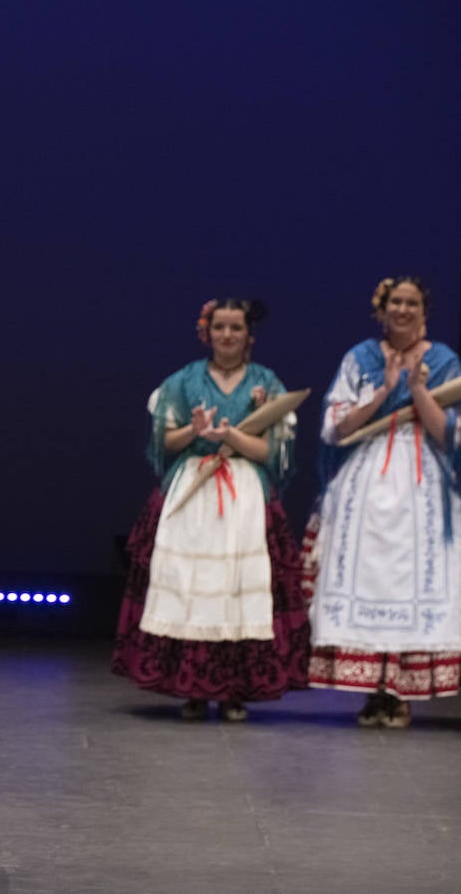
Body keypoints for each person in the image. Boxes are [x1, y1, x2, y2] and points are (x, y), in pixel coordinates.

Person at [112, 299, 309, 720]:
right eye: (219, 327)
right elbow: (164, 443)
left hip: (244, 493)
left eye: (236, 327)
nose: (227, 335)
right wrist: (194, 431)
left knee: (238, 585)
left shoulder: (266, 383)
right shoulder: (183, 382)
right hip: (194, 488)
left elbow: (270, 451)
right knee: (190, 583)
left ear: (248, 335)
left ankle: (235, 689)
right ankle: (193, 688)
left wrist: (234, 438)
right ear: (207, 332)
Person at [305, 277, 461, 727]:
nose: (404, 310)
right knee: (368, 576)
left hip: (422, 479)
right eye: (396, 302)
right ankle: (374, 689)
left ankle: (401, 691)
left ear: (424, 311)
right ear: (382, 308)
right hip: (368, 477)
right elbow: (335, 428)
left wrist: (416, 391)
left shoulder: (444, 360)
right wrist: (381, 392)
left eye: (412, 303)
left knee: (411, 580)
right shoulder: (361, 357)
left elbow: (449, 433)